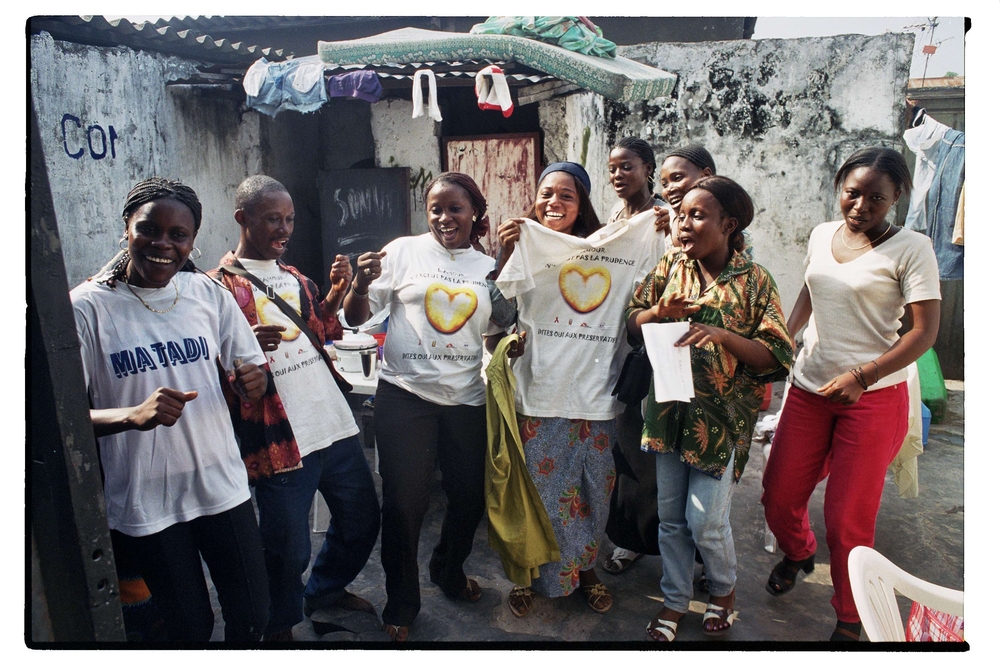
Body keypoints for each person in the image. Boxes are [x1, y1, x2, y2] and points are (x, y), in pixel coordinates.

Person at [71, 177, 270, 642]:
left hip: (221, 487)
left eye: (178, 235)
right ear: (127, 228)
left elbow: (252, 372)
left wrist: (253, 383)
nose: (163, 244)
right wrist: (129, 416)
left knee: (254, 617)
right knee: (188, 628)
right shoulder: (86, 310)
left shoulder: (207, 294)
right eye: (149, 230)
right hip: (146, 502)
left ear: (192, 241)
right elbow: (55, 423)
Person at [761, 147, 941, 642]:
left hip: (873, 396)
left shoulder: (912, 248)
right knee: (778, 496)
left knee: (847, 521)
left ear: (897, 198)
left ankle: (850, 614)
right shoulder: (823, 234)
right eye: (852, 193)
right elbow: (810, 292)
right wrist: (784, 335)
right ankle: (798, 552)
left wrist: (863, 376)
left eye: (876, 199)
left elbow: (924, 333)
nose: (860, 206)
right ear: (840, 188)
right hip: (808, 386)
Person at [209, 175, 380, 642]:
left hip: (335, 425)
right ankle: (280, 628)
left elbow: (323, 329)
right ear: (243, 219)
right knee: (287, 550)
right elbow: (208, 371)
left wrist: (335, 291)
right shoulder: (216, 290)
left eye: (289, 219)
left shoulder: (294, 277)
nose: (284, 229)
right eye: (272, 219)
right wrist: (241, 356)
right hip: (281, 438)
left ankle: (324, 591)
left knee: (362, 520)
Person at [492, 162, 663, 619]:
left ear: (582, 203)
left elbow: (657, 280)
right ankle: (528, 576)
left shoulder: (615, 247)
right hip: (541, 391)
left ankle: (587, 572)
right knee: (540, 496)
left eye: (567, 195)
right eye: (547, 193)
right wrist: (504, 254)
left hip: (596, 396)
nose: (554, 202)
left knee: (590, 493)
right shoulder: (527, 243)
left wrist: (661, 227)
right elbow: (496, 313)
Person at [628, 176, 792, 642]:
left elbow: (778, 355)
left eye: (697, 215)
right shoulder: (670, 268)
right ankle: (676, 599)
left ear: (729, 225)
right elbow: (631, 324)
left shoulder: (756, 282)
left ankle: (723, 590)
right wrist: (657, 313)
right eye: (681, 216)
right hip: (666, 415)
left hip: (720, 425)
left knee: (705, 520)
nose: (683, 224)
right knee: (671, 519)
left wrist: (723, 336)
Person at [343, 172, 503, 642]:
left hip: (466, 399)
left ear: (474, 212)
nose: (443, 217)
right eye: (435, 208)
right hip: (405, 397)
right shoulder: (401, 251)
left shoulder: (487, 266)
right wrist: (358, 281)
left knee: (469, 498)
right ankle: (402, 600)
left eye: (454, 208)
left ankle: (448, 569)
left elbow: (498, 328)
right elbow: (355, 317)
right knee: (404, 504)